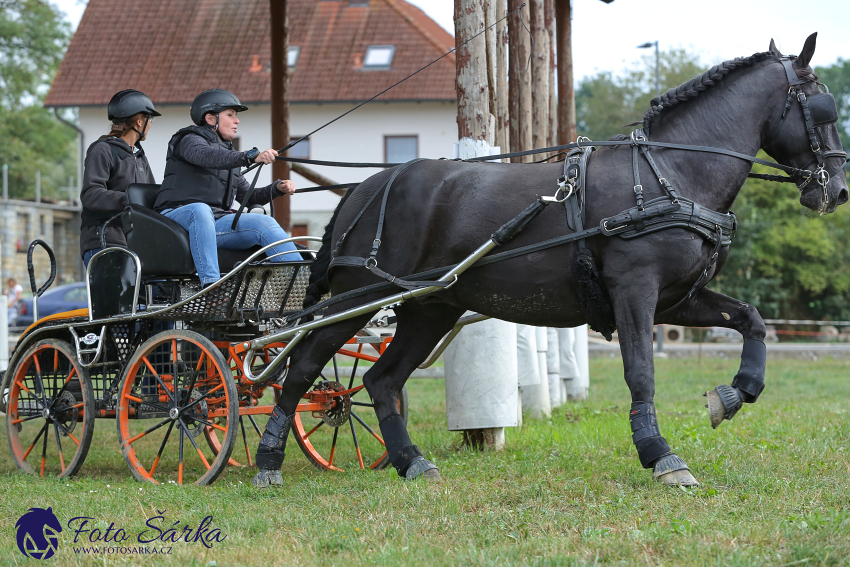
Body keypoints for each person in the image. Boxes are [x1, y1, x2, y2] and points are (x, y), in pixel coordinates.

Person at [154, 89, 300, 287]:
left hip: (214, 223)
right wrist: (249, 156)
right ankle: (211, 287)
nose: (236, 121)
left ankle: (301, 285)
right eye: (230, 115)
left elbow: (250, 197)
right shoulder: (189, 140)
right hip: (176, 220)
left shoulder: (228, 156)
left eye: (236, 116)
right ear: (210, 118)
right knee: (200, 209)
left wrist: (277, 189)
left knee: (265, 223)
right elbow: (206, 156)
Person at [80, 89, 161, 268]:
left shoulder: (140, 157)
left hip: (133, 242)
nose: (150, 125)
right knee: (111, 297)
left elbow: (150, 195)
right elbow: (90, 194)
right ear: (140, 121)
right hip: (104, 240)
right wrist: (130, 199)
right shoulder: (103, 150)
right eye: (150, 119)